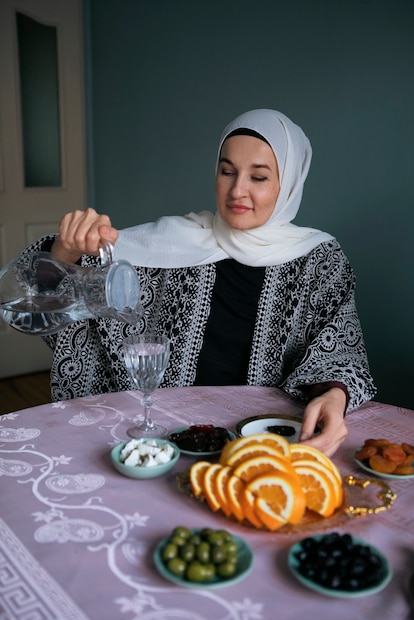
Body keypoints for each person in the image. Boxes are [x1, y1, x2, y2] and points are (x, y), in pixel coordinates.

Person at [25, 109, 376, 456]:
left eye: (258, 177)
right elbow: (41, 314)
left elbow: (341, 354)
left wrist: (334, 394)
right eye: (227, 172)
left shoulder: (317, 259)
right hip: (163, 437)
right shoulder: (163, 247)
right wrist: (64, 252)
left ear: (289, 184)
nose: (237, 190)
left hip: (266, 444)